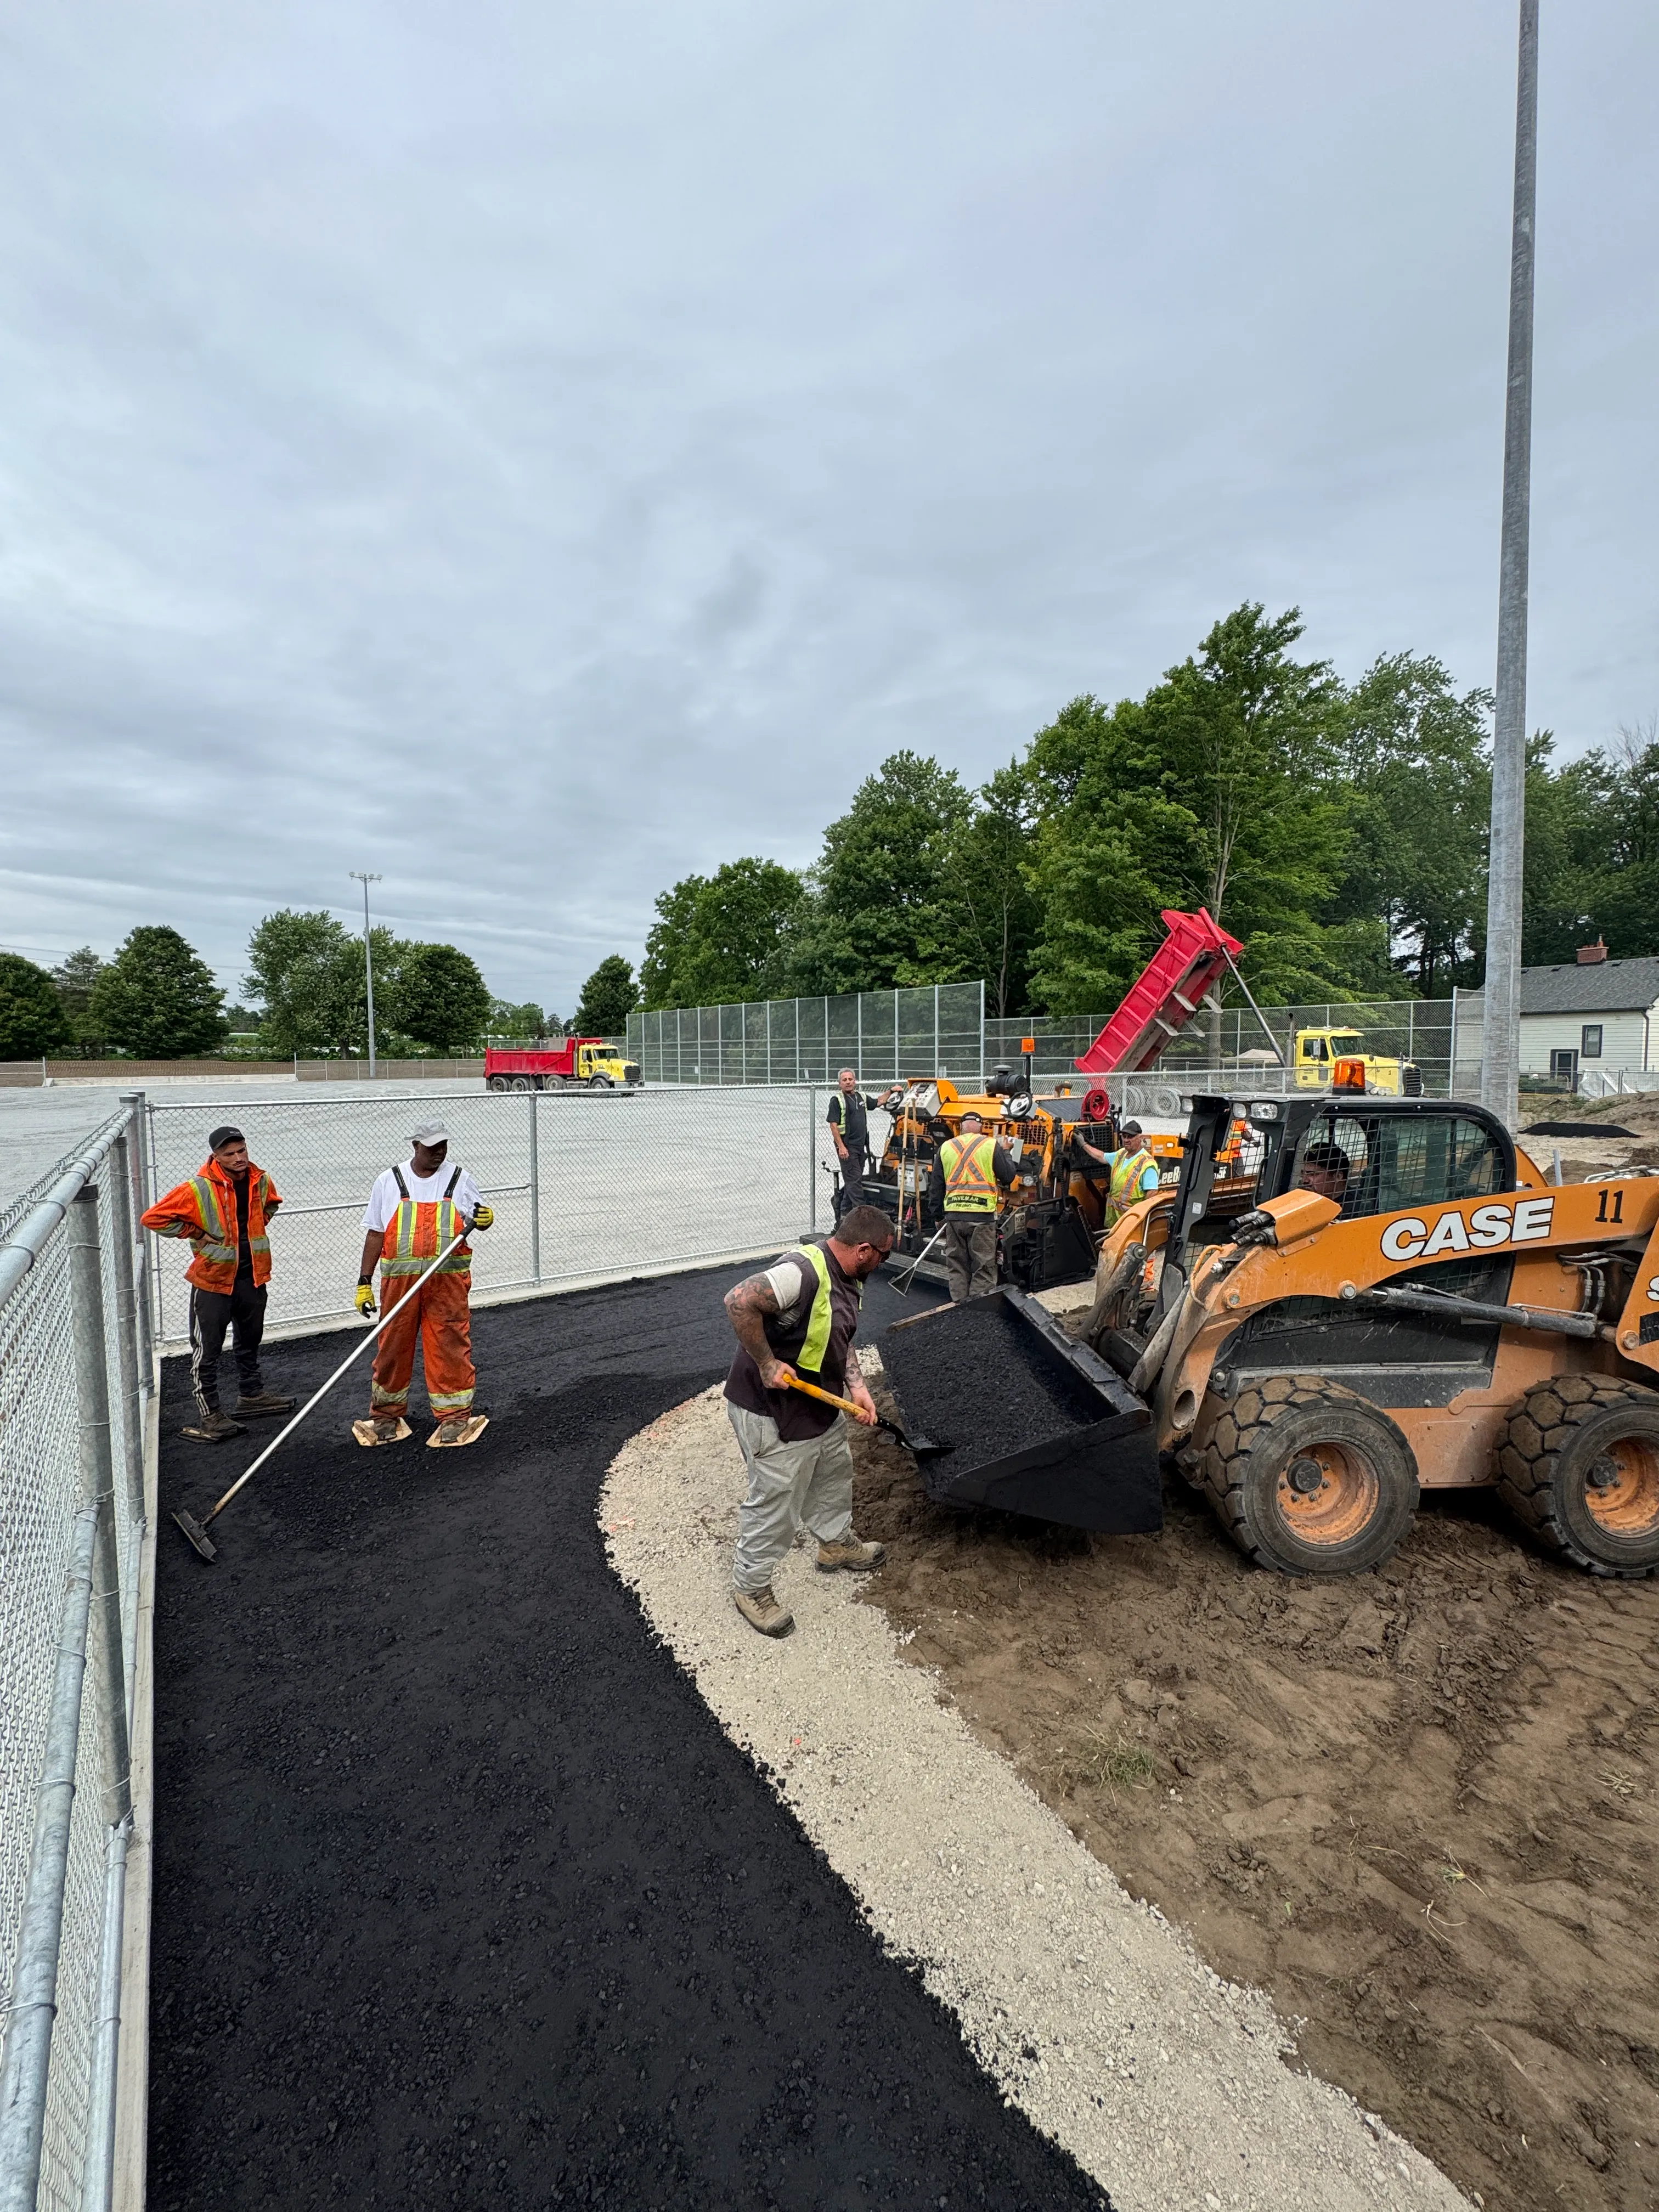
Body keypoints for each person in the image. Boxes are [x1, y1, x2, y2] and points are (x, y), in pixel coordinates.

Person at [722, 1204, 895, 1638]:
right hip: (771, 1408)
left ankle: (835, 1545)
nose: (883, 1264)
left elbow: (839, 1334)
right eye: (884, 1256)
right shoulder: (802, 1272)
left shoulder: (849, 1277)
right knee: (776, 1501)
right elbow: (739, 1300)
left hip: (819, 1402)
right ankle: (751, 1587)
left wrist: (857, 1386)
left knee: (834, 1474)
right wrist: (766, 1362)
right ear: (864, 1250)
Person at [143, 1125, 294, 1442]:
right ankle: (210, 1415)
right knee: (207, 1351)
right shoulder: (197, 1188)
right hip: (213, 1282)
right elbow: (153, 1218)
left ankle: (251, 1395)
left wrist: (254, 1227)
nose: (239, 1158)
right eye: (230, 1154)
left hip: (252, 1278)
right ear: (216, 1157)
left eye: (242, 1151)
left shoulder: (260, 1180)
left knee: (250, 1339)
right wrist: (195, 1233)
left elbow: (272, 1203)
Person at [354, 1119, 494, 1448]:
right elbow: (375, 1233)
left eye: (443, 1145)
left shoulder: (459, 1179)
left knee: (449, 1346)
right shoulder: (389, 1181)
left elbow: (478, 1217)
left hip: (446, 1286)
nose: (439, 1152)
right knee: (392, 1346)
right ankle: (386, 1416)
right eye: (432, 1147)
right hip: (399, 1287)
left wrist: (485, 1220)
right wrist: (364, 1282)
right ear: (416, 1146)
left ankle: (455, 1417)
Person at [928, 1110, 1015, 1301]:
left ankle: (959, 1307)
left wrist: (937, 1216)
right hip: (981, 1217)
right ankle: (978, 1310)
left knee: (957, 1266)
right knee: (984, 1267)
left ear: (960, 1127)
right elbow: (1008, 1176)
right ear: (981, 1127)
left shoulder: (946, 1147)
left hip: (954, 1217)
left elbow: (936, 1186)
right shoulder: (990, 1145)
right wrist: (1007, 1151)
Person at [1076, 1118, 1161, 1233]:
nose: (1126, 1140)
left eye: (1130, 1137)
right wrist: (1083, 1145)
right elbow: (1101, 1156)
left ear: (1140, 1138)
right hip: (1113, 1219)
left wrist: (1140, 1220)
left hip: (1129, 1224)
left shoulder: (1147, 1164)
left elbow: (1152, 1193)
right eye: (1124, 1136)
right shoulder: (1121, 1154)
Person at [826, 1068, 879, 1217]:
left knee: (853, 1180)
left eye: (850, 1079)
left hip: (860, 1147)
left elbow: (879, 1102)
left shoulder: (861, 1097)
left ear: (855, 1081)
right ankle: (861, 1215)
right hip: (847, 1148)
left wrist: (892, 1092)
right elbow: (833, 1126)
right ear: (840, 1083)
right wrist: (841, 1147)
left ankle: (844, 1214)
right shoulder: (837, 1101)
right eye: (845, 1080)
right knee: (855, 1183)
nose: (848, 1082)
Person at [1297, 1141, 1352, 1207]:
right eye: (1303, 1173)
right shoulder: (1301, 1203)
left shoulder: (1359, 1209)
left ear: (1338, 1176)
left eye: (1312, 1174)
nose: (1304, 1180)